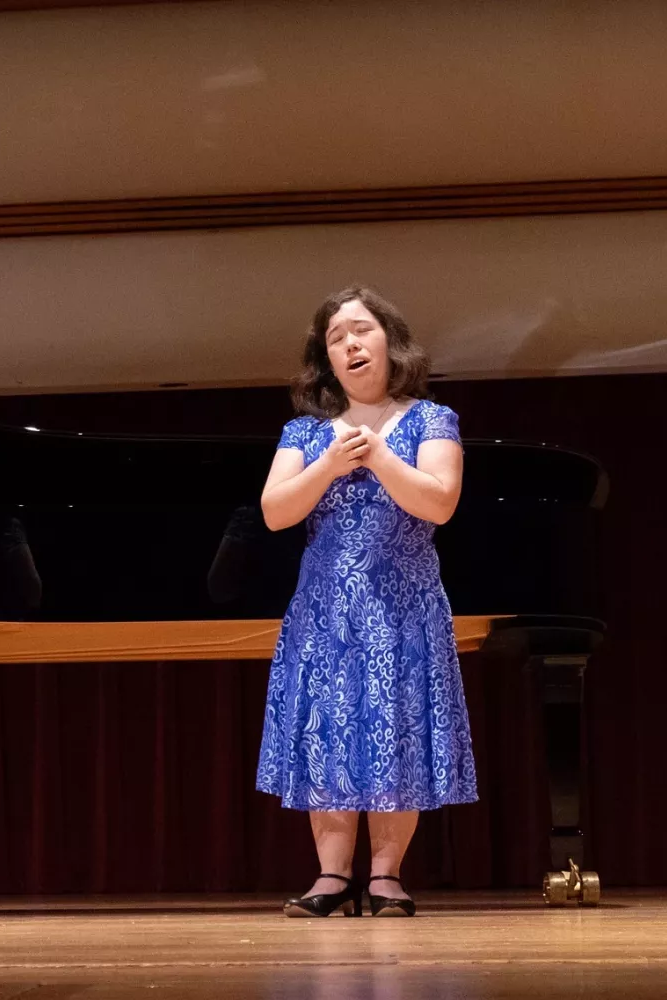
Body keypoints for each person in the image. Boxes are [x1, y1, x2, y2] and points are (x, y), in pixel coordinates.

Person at [255, 287, 473, 918]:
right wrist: (326, 464)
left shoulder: (432, 420)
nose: (349, 343)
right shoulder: (305, 431)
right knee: (329, 730)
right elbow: (275, 513)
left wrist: (377, 456)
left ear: (389, 341)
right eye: (335, 337)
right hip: (326, 609)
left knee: (394, 728)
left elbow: (439, 502)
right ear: (327, 359)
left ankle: (384, 876)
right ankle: (330, 876)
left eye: (361, 330)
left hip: (402, 605)